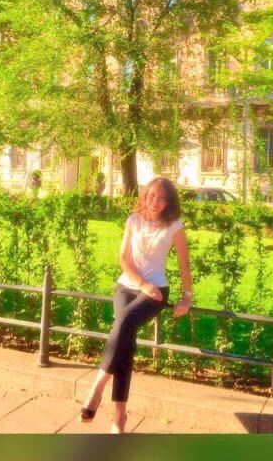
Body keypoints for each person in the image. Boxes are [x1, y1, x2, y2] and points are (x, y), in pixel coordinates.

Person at [79, 177, 193, 433]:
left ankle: (97, 387)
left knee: (122, 323)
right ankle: (119, 416)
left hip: (156, 291)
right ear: (145, 195)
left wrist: (187, 296)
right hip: (128, 286)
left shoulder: (174, 225)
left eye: (161, 198)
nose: (155, 201)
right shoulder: (133, 220)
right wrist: (141, 283)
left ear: (168, 202)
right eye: (152, 195)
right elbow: (124, 258)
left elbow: (184, 263)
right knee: (124, 339)